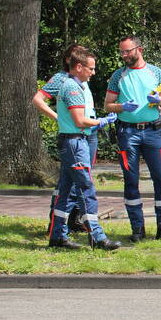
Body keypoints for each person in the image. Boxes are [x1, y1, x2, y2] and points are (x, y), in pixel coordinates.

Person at [104, 35, 161, 242]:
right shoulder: (118, 75)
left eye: (127, 51)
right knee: (131, 180)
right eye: (121, 52)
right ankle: (137, 229)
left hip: (153, 131)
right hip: (127, 133)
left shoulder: (156, 72)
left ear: (139, 49)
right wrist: (122, 107)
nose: (124, 55)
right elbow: (107, 105)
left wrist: (160, 101)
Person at [48, 47, 121, 250]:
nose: (93, 72)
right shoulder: (72, 88)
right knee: (85, 188)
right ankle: (97, 237)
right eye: (91, 68)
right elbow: (80, 121)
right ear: (78, 67)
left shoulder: (73, 85)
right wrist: (101, 121)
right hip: (75, 143)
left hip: (71, 142)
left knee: (65, 191)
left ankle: (57, 236)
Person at [33, 43, 95, 237]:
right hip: (74, 135)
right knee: (70, 181)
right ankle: (57, 223)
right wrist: (57, 117)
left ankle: (74, 220)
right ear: (70, 60)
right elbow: (38, 99)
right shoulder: (62, 79)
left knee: (82, 178)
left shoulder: (82, 78)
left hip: (88, 133)